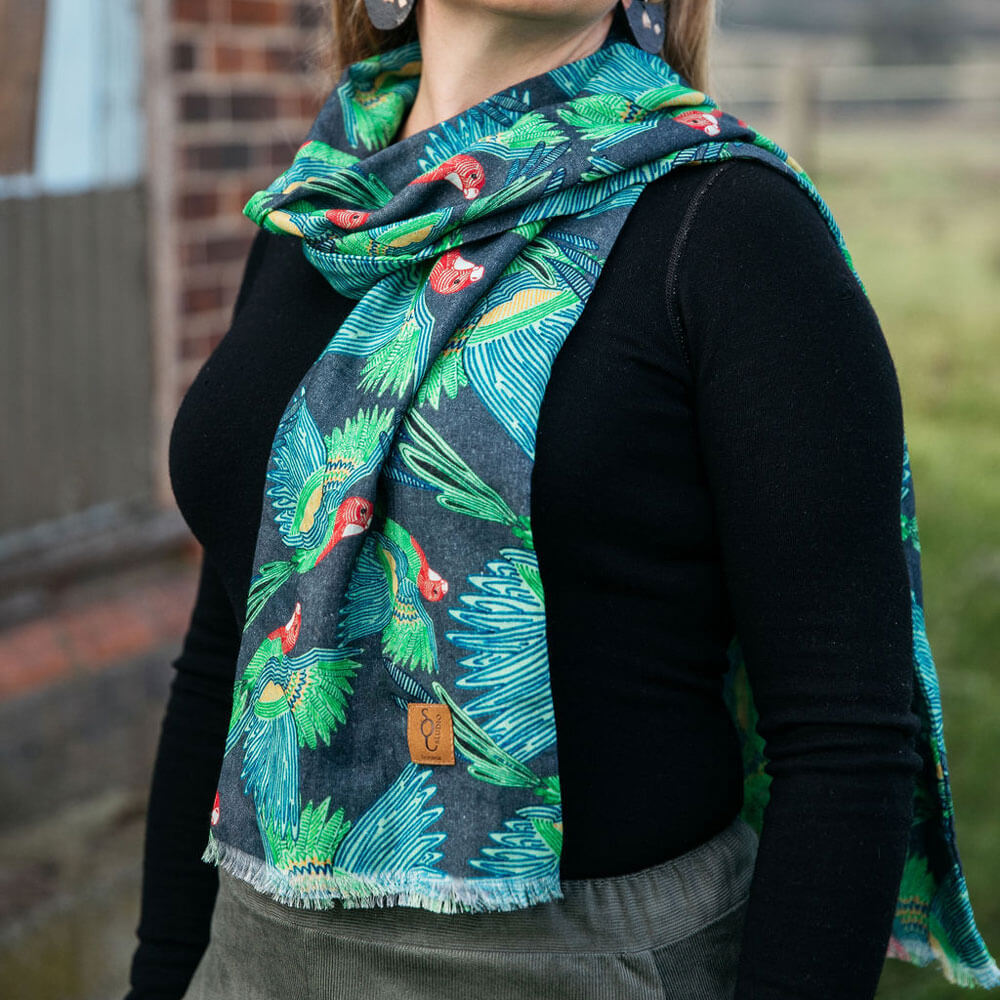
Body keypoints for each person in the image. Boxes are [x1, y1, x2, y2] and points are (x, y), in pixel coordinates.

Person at [125, 1, 926, 997]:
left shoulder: (733, 228)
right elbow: (225, 655)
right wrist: (162, 975)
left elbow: (847, 737)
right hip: (252, 956)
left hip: (581, 965)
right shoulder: (321, 218)